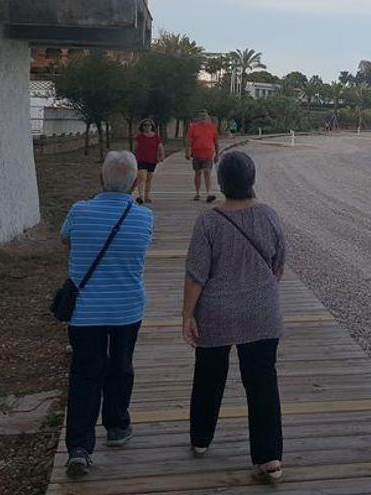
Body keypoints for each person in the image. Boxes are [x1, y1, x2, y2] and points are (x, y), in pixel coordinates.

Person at [182, 151, 286, 483]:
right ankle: (269, 458)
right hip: (262, 313)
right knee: (262, 384)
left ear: (223, 183)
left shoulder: (209, 222)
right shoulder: (269, 216)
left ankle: (201, 440)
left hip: (216, 313)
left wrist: (187, 315)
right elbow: (278, 265)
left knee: (209, 376)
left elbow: (197, 274)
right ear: (251, 180)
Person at [61, 151, 154, 477]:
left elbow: (67, 242)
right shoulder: (145, 217)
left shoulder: (78, 211)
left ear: (101, 179)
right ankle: (116, 426)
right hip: (127, 309)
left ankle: (79, 448)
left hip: (86, 311)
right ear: (133, 183)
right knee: (121, 366)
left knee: (85, 375)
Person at [186, 110, 219, 202]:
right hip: (196, 154)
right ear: (198, 118)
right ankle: (198, 193)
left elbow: (216, 142)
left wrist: (217, 154)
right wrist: (188, 152)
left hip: (208, 154)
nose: (203, 117)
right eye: (201, 116)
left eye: (205, 116)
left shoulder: (212, 128)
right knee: (198, 173)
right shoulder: (193, 127)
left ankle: (209, 193)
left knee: (207, 171)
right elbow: (189, 141)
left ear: (208, 117)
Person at [133, 118, 165, 204]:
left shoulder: (156, 137)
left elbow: (160, 147)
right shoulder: (139, 137)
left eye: (149, 125)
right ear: (142, 127)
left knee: (149, 179)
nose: (147, 127)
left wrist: (161, 156)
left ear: (152, 126)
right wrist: (133, 157)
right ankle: (141, 196)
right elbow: (135, 148)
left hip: (152, 160)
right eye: (145, 125)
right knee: (142, 178)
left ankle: (147, 196)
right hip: (141, 159)